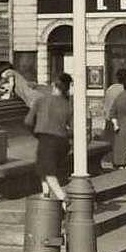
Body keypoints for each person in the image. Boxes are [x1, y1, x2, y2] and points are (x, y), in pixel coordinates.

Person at [25, 73, 73, 204]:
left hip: (46, 139)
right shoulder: (68, 105)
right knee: (43, 167)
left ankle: (63, 198)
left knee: (48, 171)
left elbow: (28, 121)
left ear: (53, 85)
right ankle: (45, 194)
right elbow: (73, 128)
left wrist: (36, 133)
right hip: (62, 141)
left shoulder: (41, 100)